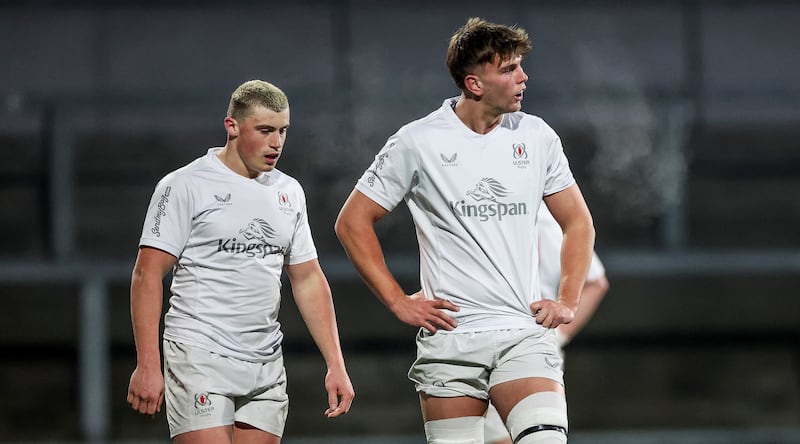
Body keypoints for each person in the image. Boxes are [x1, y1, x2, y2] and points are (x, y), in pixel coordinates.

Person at [335, 17, 595, 444]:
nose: (523, 77)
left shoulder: (537, 136)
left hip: (522, 334)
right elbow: (352, 222)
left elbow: (578, 222)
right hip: (451, 342)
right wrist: (397, 301)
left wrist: (568, 299)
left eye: (520, 65)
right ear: (474, 84)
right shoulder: (417, 141)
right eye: (509, 69)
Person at [126, 79, 354, 444]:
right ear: (232, 126)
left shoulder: (288, 191)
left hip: (266, 363)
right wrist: (148, 364)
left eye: (282, 131)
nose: (276, 142)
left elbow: (308, 279)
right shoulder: (185, 185)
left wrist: (336, 364)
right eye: (264, 130)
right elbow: (147, 274)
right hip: (199, 354)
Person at [484, 205, 610, 444]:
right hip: (518, 343)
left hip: (514, 344)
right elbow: (597, 282)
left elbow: (596, 282)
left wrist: (559, 334)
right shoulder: (540, 213)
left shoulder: (540, 216)